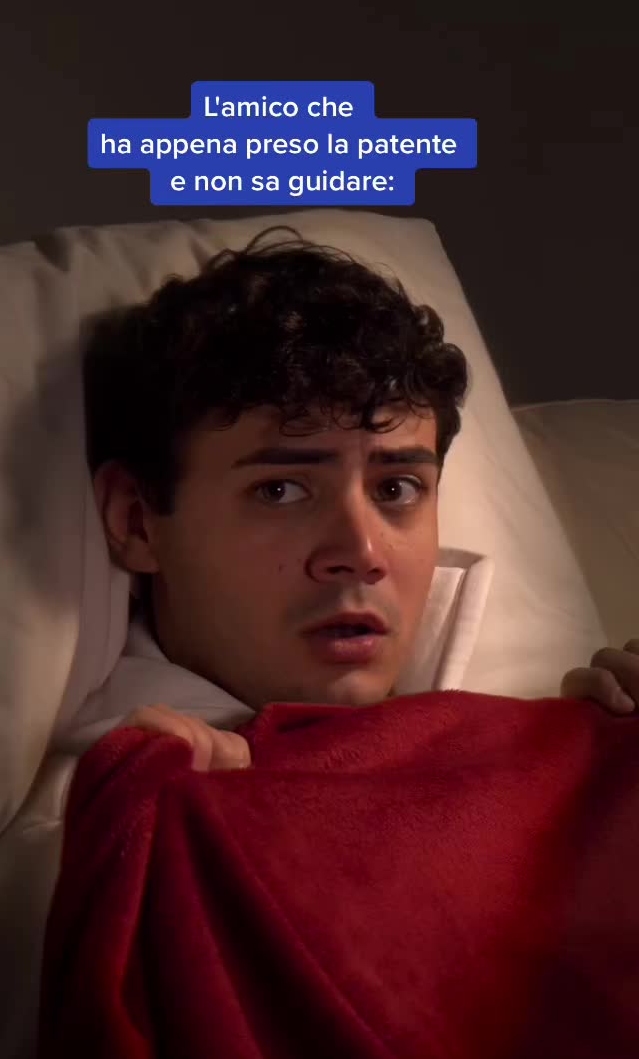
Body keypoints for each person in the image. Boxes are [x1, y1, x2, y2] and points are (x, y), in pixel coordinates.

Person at [84, 228, 638, 770]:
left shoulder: (531, 736)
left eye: (396, 489)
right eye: (279, 491)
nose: (362, 553)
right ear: (136, 521)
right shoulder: (105, 806)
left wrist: (583, 776)